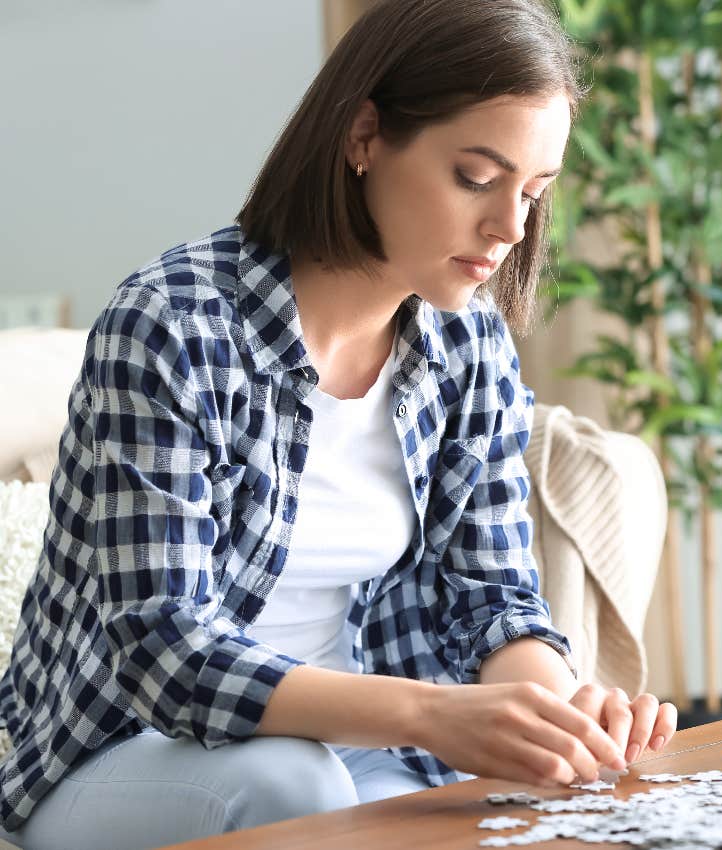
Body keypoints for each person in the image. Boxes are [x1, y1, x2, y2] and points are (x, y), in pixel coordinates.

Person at [0, 0, 677, 847]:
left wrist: (554, 712)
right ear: (364, 137)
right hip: (123, 752)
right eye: (476, 177)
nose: (510, 228)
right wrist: (435, 716)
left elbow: (492, 596)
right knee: (296, 780)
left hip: (357, 749)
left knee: (530, 806)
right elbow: (165, 653)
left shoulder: (468, 341)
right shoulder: (171, 326)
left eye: (534, 193)